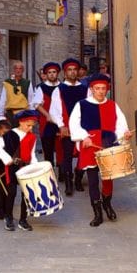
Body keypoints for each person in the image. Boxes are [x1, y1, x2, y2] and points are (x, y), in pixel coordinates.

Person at [69, 73, 132, 227]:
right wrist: (84, 137)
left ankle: (107, 204)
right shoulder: (82, 104)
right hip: (90, 146)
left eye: (104, 88)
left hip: (108, 144)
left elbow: (120, 124)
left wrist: (124, 134)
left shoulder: (112, 105)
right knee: (92, 180)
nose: (101, 91)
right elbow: (74, 124)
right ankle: (97, 213)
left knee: (108, 178)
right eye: (97, 88)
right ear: (92, 89)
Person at [0, 109, 39, 231]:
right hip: (12, 167)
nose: (30, 128)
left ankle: (23, 219)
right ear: (21, 122)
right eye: (28, 125)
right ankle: (8, 217)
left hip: (26, 167)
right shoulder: (10, 134)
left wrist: (35, 167)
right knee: (12, 193)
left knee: (26, 193)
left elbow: (32, 154)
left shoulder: (32, 137)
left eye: (32, 126)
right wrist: (7, 159)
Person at [49, 58, 87, 196]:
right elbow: (54, 110)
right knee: (67, 156)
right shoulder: (59, 90)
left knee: (84, 154)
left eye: (74, 70)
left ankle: (78, 179)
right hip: (67, 128)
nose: (72, 72)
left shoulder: (85, 89)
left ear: (78, 72)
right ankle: (69, 184)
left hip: (82, 127)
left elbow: (88, 107)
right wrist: (61, 126)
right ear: (65, 73)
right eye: (69, 70)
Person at [32, 62, 61, 168]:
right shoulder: (42, 87)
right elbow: (36, 104)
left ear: (57, 73)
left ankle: (63, 173)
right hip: (47, 122)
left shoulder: (62, 87)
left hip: (61, 122)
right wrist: (47, 115)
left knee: (60, 148)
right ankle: (50, 172)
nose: (52, 74)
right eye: (49, 72)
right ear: (46, 74)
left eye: (54, 72)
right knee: (48, 149)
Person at [0, 60, 34, 126]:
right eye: (16, 68)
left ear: (23, 70)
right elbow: (3, 99)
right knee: (11, 134)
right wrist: (0, 115)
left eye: (20, 68)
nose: (18, 70)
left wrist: (32, 115)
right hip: (10, 114)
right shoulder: (7, 82)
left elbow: (31, 101)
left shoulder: (27, 83)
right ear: (13, 70)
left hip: (23, 113)